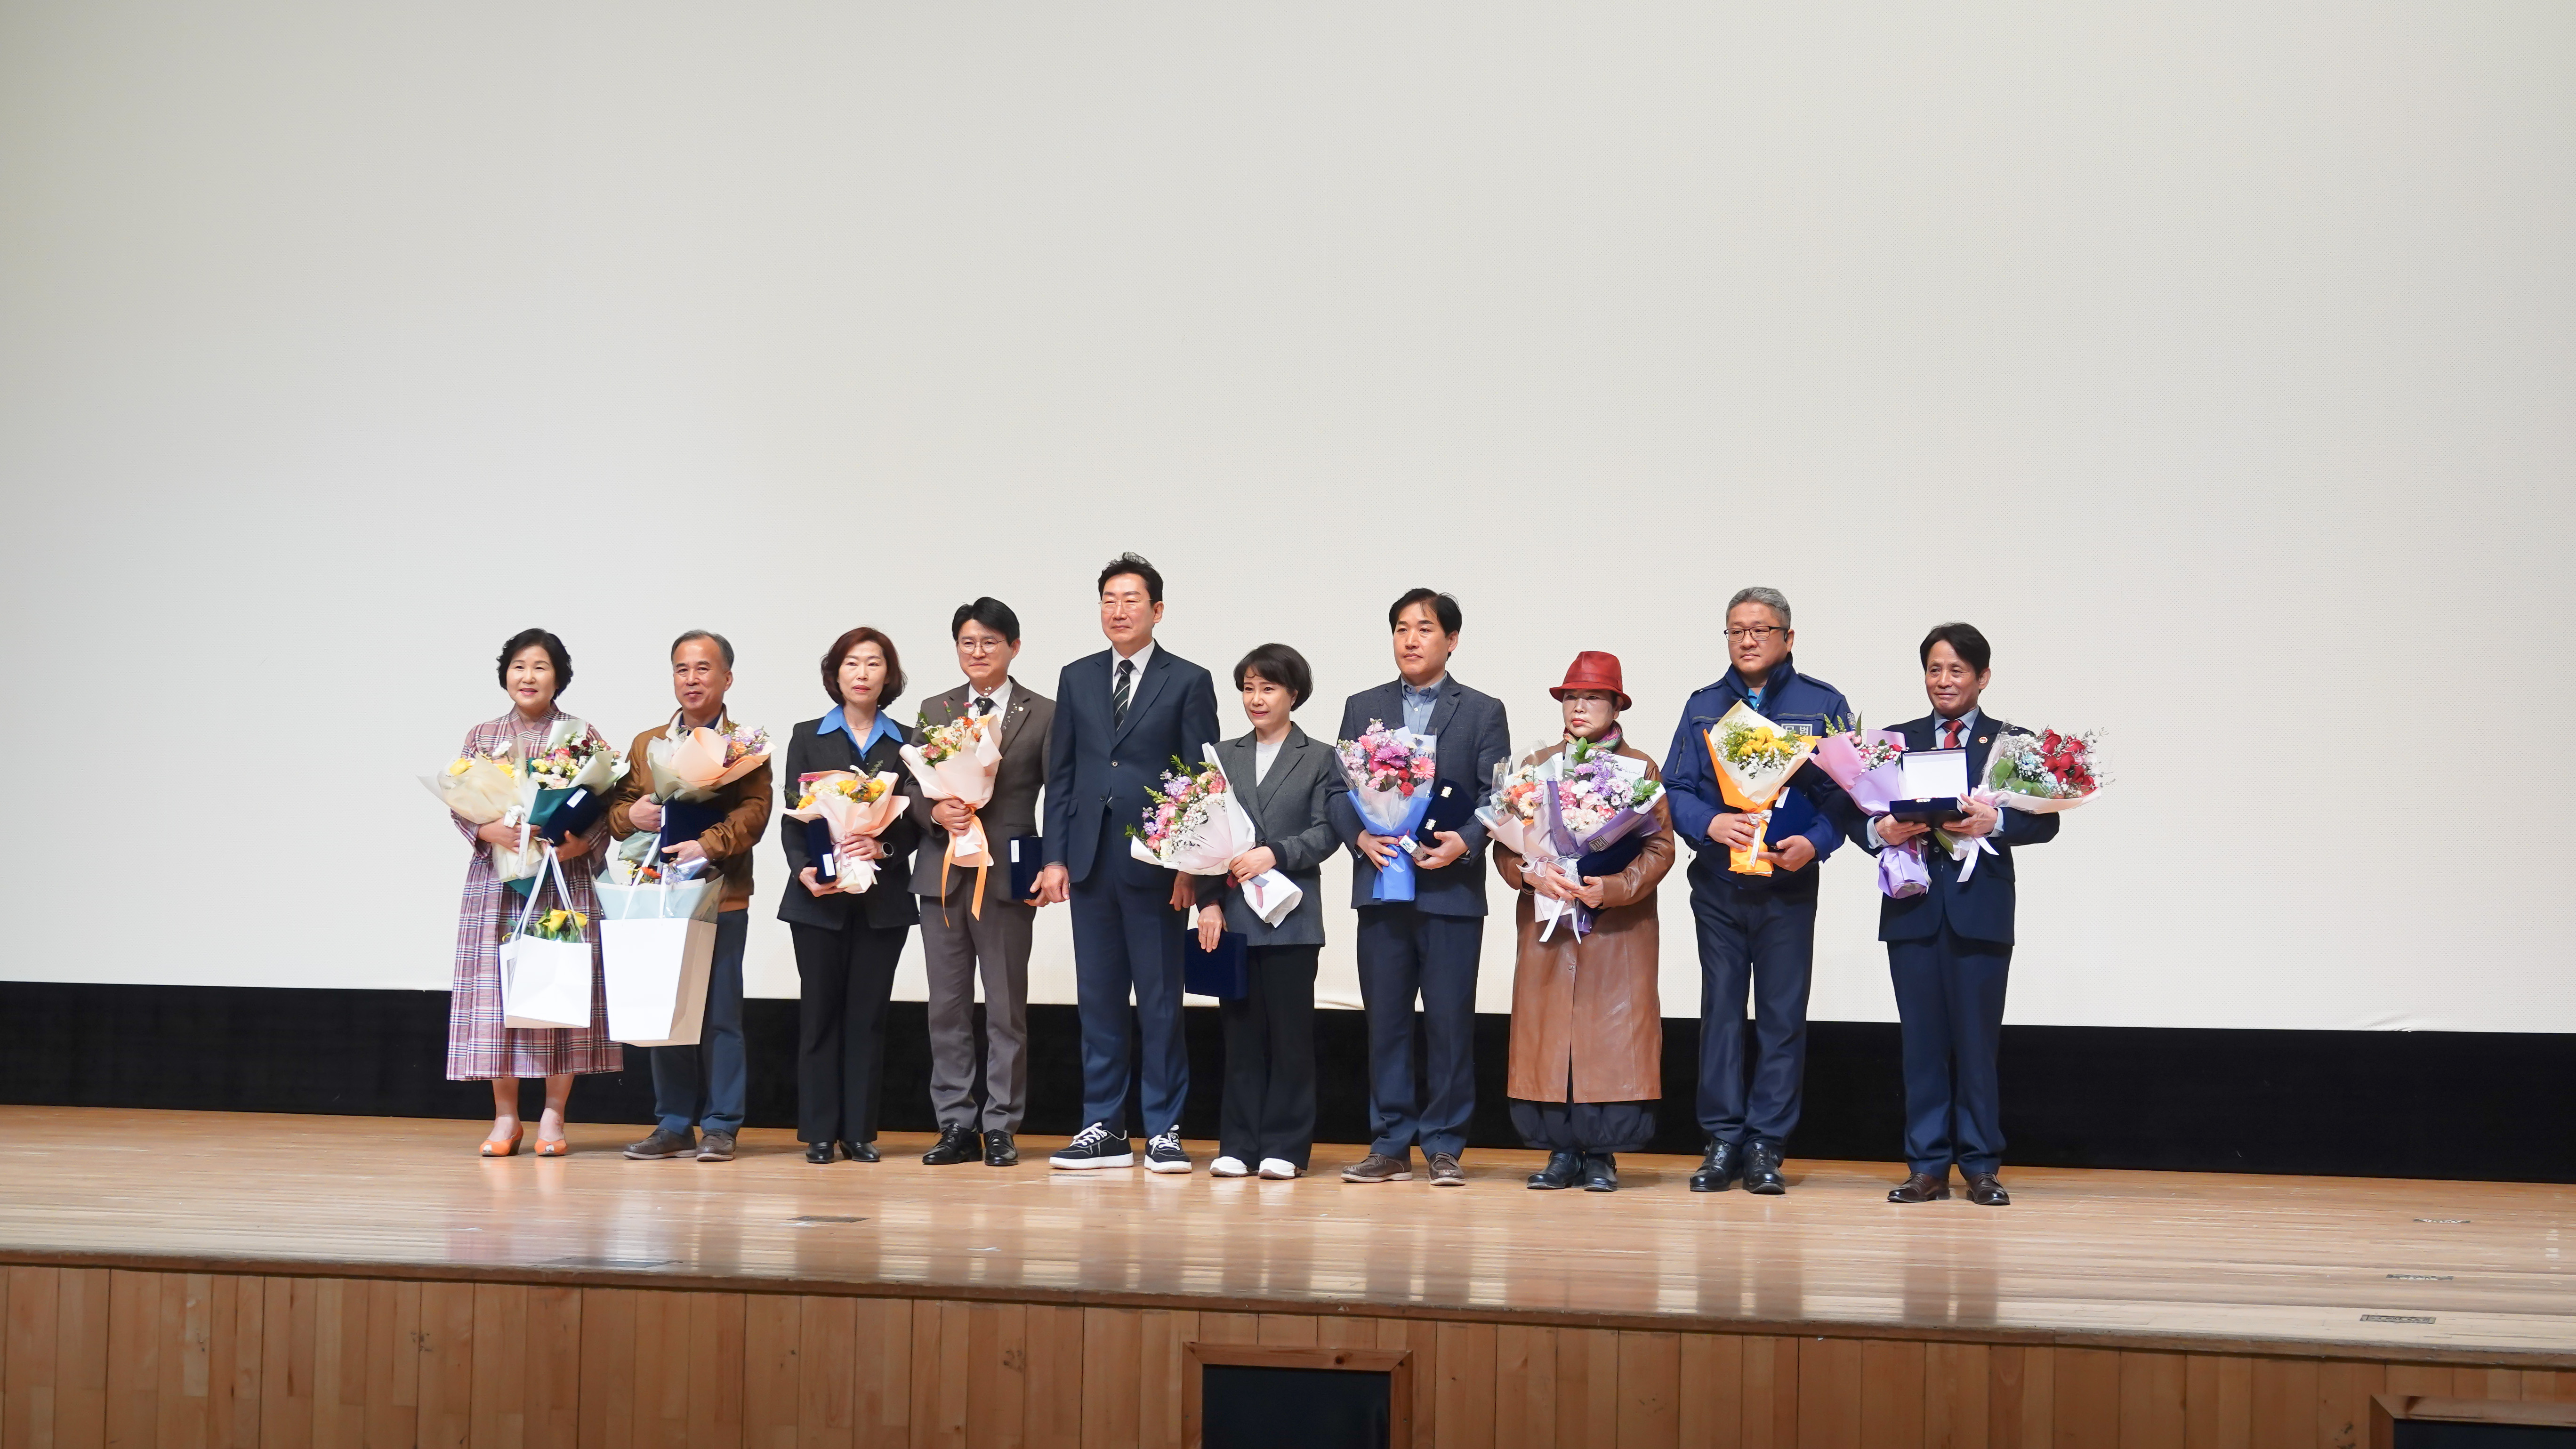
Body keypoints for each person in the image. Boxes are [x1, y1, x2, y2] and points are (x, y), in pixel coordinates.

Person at [1659, 586, 1858, 1196]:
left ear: (1787, 637)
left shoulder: (1823, 704)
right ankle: (1722, 1141)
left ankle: (1767, 1143)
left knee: (1781, 1016)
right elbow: (1676, 789)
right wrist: (1711, 824)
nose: (1747, 640)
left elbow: (1847, 793)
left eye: (1760, 629)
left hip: (1787, 887)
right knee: (1720, 1014)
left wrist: (1814, 844)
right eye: (1736, 630)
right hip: (1719, 885)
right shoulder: (1703, 705)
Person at [1031, 554, 1221, 1172]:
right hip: (1089, 861)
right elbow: (1062, 776)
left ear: (1157, 610)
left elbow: (1201, 781)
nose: (1118, 610)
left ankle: (1164, 1128)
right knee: (1099, 999)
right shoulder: (1077, 676)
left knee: (1161, 1000)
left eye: (1131, 599)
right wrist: (1055, 857)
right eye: (1109, 600)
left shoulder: (1188, 680)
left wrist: (1193, 867)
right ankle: (1104, 1126)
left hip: (1158, 867)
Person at [1861, 622, 2061, 1208]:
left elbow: (2046, 820)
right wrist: (1880, 830)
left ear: (1983, 677)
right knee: (1921, 1045)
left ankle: (1980, 1165)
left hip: (1982, 911)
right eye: (1934, 669)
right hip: (1913, 908)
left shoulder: (2011, 743)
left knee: (1977, 1044)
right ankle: (1926, 1167)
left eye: (1957, 670)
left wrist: (1996, 822)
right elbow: (1855, 813)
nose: (1944, 680)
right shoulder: (1894, 742)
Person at [1328, 588, 1511, 1187]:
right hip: (1382, 885)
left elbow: (1497, 795)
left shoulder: (1483, 710)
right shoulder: (1363, 706)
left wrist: (1467, 841)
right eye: (1402, 628)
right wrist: (1361, 838)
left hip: (1449, 889)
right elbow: (1336, 790)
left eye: (1425, 629)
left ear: (1451, 640)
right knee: (1386, 1021)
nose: (1411, 639)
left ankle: (1445, 1144)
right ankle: (1389, 1143)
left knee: (1450, 1024)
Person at [1493, 653, 1675, 1193]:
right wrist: (1532, 875)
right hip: (1551, 924)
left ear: (1617, 706)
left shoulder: (1639, 769)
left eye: (1593, 697)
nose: (1579, 706)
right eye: (1571, 697)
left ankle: (1602, 1155)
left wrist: (1611, 888)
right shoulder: (1536, 766)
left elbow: (1661, 848)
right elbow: (1504, 848)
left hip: (1616, 929)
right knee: (1553, 1037)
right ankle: (1561, 1153)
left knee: (1610, 1038)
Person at [443, 629, 623, 1156]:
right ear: (505, 674)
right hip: (499, 882)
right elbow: (460, 802)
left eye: (541, 667)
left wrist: (581, 845)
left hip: (561, 880)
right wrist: (486, 830)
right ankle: (505, 1118)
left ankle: (553, 1116)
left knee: (558, 987)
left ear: (558, 677)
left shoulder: (580, 735)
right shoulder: (483, 736)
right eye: (519, 666)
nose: (528, 677)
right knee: (500, 992)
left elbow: (606, 804)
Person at [608, 630, 773, 1164]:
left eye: (703, 669)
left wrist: (707, 845)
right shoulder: (647, 743)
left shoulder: (746, 747)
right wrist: (631, 815)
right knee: (667, 1009)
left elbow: (755, 813)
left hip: (721, 894)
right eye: (682, 669)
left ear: (727, 678)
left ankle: (721, 1126)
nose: (692, 679)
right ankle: (674, 1123)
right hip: (659, 897)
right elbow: (617, 811)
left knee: (722, 1015)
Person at [909, 598, 1054, 1169]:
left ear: (1014, 647)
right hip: (942, 874)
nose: (978, 651)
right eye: (968, 642)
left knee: (1005, 1007)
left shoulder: (1043, 712)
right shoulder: (935, 707)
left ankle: (1000, 1125)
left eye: (990, 642)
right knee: (946, 1008)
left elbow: (1059, 795)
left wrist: (1053, 862)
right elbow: (912, 787)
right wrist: (935, 812)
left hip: (1006, 875)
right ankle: (955, 1123)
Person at [1194, 644, 1346, 1180]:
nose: (1256, 699)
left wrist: (1275, 853)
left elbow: (1328, 831)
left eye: (1269, 688)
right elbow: (1202, 835)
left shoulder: (1321, 756)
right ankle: (1238, 1144)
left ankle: (1285, 1147)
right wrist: (1208, 902)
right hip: (1235, 915)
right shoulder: (1220, 755)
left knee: (1290, 1039)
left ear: (1294, 694)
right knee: (1239, 1039)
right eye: (1249, 688)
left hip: (1291, 915)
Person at [778, 628, 923, 1165]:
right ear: (835, 674)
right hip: (818, 898)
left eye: (874, 663)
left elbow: (918, 822)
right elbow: (793, 816)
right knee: (819, 1014)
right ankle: (819, 1132)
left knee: (868, 1017)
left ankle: (859, 1131)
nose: (862, 673)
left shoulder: (906, 741)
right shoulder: (807, 735)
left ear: (889, 675)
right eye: (852, 663)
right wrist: (803, 870)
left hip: (882, 901)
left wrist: (883, 845)